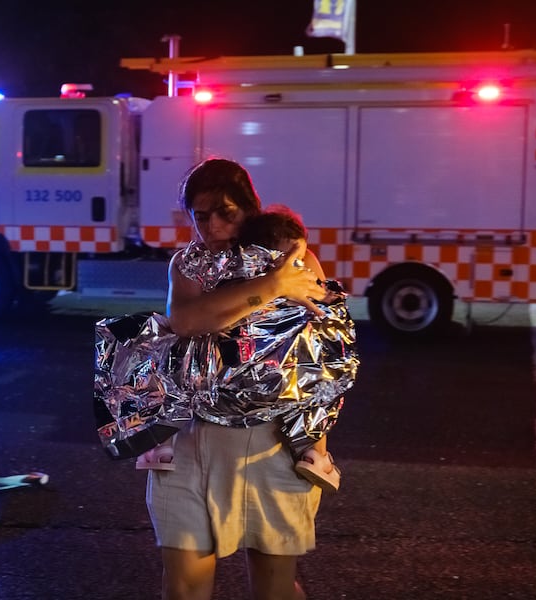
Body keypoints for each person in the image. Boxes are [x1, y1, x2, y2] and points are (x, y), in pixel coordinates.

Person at [146, 158, 331, 600]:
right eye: (200, 215)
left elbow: (319, 343)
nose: (211, 225)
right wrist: (270, 287)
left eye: (224, 212)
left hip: (269, 444)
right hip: (189, 440)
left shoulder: (293, 257)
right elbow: (188, 320)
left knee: (274, 590)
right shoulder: (187, 265)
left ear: (250, 208)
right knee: (184, 589)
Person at [135, 206, 352, 493]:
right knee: (319, 386)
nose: (212, 226)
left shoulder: (231, 274)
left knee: (168, 367)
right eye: (202, 217)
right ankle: (315, 453)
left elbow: (195, 321)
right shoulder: (296, 270)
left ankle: (160, 444)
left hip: (225, 368)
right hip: (282, 371)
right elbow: (321, 302)